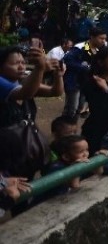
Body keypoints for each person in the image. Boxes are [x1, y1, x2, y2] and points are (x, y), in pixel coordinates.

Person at [0, 45, 64, 178]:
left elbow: (55, 91)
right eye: (15, 63)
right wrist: (40, 68)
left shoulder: (23, 81)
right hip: (5, 152)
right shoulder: (2, 83)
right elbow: (26, 93)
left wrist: (58, 75)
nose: (21, 66)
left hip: (24, 148)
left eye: (23, 62)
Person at [81, 45, 108, 153]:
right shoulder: (93, 81)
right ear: (101, 62)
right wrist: (106, 90)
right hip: (98, 128)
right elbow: (98, 106)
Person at [62, 26, 108, 118]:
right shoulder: (80, 48)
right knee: (72, 108)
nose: (103, 41)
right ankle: (64, 127)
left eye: (105, 39)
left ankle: (71, 126)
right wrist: (84, 67)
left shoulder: (101, 48)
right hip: (74, 81)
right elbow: (67, 60)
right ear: (92, 37)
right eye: (101, 38)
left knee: (80, 107)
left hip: (86, 81)